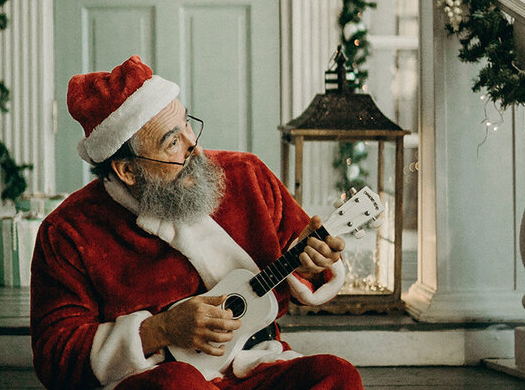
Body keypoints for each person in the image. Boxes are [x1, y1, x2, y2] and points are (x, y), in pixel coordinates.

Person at [31, 55, 364, 390]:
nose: (194, 146)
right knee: (178, 384)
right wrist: (159, 330)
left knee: (338, 376)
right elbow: (55, 354)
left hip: (257, 365)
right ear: (127, 171)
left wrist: (309, 265)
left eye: (187, 124)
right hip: (158, 380)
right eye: (172, 141)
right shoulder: (68, 231)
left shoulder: (247, 175)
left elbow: (305, 263)